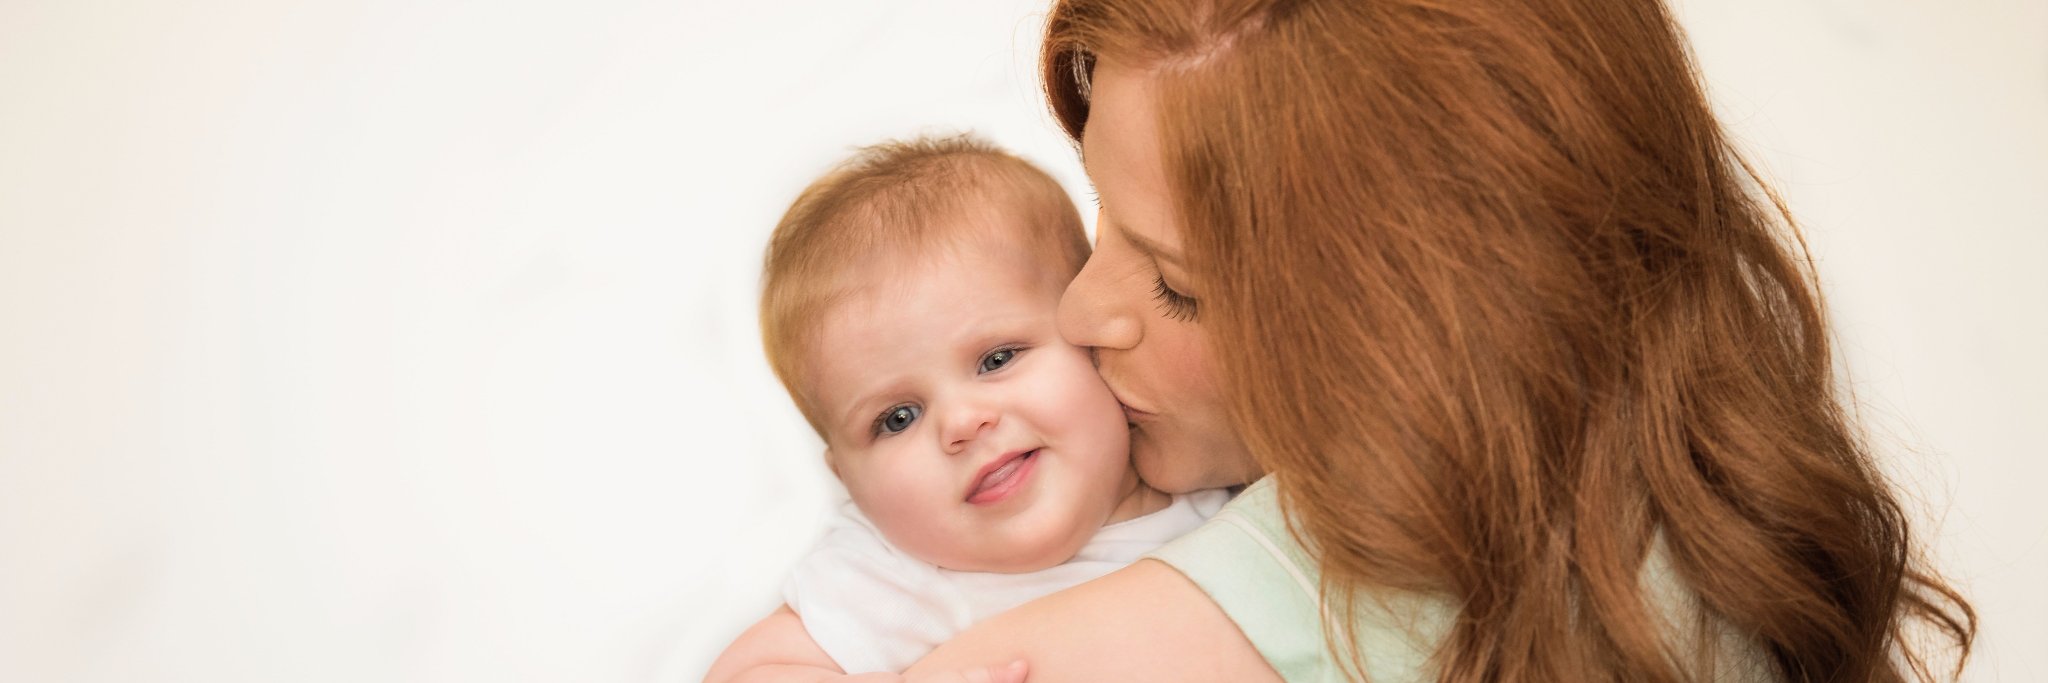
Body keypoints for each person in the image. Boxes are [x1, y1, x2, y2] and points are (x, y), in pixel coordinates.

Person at [904, 0, 1978, 681]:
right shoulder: (1690, 499)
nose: (1085, 313)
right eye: (1101, 217)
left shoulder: (1352, 570)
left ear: (1428, 329)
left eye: (1179, 287)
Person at [702, 134, 1227, 683]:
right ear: (850, 482)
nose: (961, 422)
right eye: (897, 418)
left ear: (1089, 337)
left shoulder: (1209, 478)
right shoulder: (901, 576)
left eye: (996, 359)